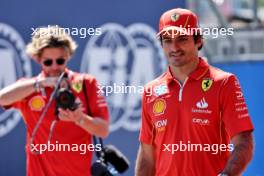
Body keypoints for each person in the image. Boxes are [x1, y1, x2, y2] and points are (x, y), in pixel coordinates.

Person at [135, 8, 254, 176]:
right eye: (167, 40)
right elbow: (147, 155)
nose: (174, 47)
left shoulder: (224, 82)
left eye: (182, 39)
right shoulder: (151, 90)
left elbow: (244, 142)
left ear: (198, 40)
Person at [0, 26, 109, 176]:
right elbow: (2, 98)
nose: (55, 67)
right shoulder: (29, 88)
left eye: (60, 60)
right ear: (38, 59)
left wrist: (80, 119)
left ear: (68, 56)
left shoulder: (85, 83)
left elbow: (103, 129)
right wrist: (40, 84)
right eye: (48, 62)